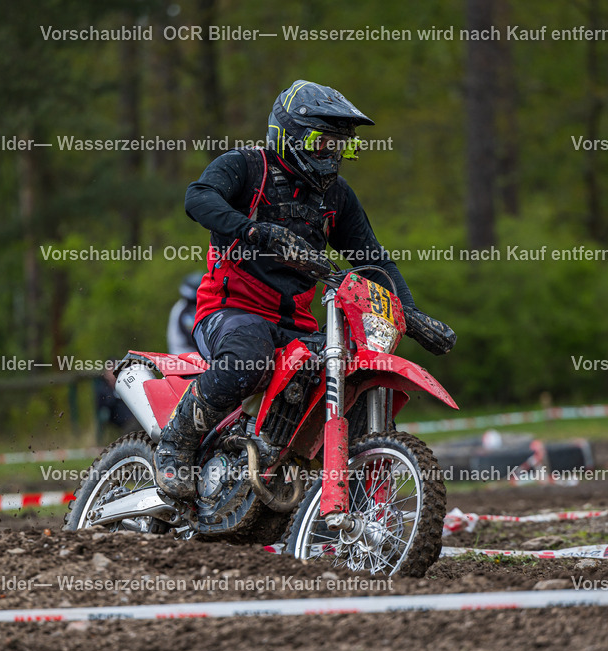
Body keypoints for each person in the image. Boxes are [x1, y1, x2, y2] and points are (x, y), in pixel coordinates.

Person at [154, 79, 455, 499]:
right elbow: (198, 198)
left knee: (344, 368)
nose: (332, 156)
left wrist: (412, 315)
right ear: (289, 135)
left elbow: (374, 261)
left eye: (340, 146)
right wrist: (255, 230)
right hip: (229, 311)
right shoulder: (246, 166)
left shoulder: (336, 197)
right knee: (248, 354)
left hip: (296, 322)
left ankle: (297, 470)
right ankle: (175, 443)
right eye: (321, 144)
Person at [166, 272, 202, 355]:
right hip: (183, 354)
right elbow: (192, 338)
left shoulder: (190, 308)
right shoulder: (184, 310)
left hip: (193, 354)